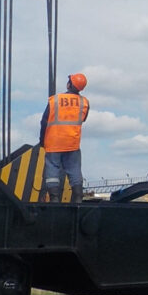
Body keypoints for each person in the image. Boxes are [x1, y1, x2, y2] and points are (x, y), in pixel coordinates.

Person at [40, 73, 89, 203]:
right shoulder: (84, 103)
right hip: (72, 142)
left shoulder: (54, 100)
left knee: (52, 168)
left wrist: (42, 140)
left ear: (69, 84)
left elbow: (44, 121)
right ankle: (78, 197)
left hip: (54, 141)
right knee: (74, 169)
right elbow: (82, 119)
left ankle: (54, 198)